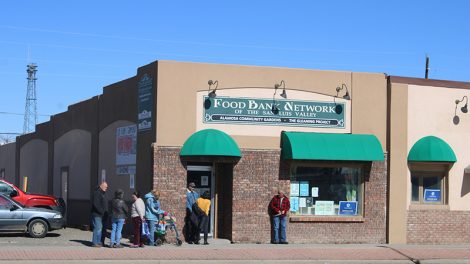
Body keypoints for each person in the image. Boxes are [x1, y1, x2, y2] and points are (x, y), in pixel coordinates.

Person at [91, 181, 108, 247]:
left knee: (101, 229)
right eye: (105, 186)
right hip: (97, 214)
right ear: (101, 186)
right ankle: (95, 242)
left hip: (103, 215)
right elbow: (96, 204)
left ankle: (100, 242)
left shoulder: (104, 193)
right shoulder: (97, 193)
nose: (106, 188)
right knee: (98, 228)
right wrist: (102, 212)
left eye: (107, 187)